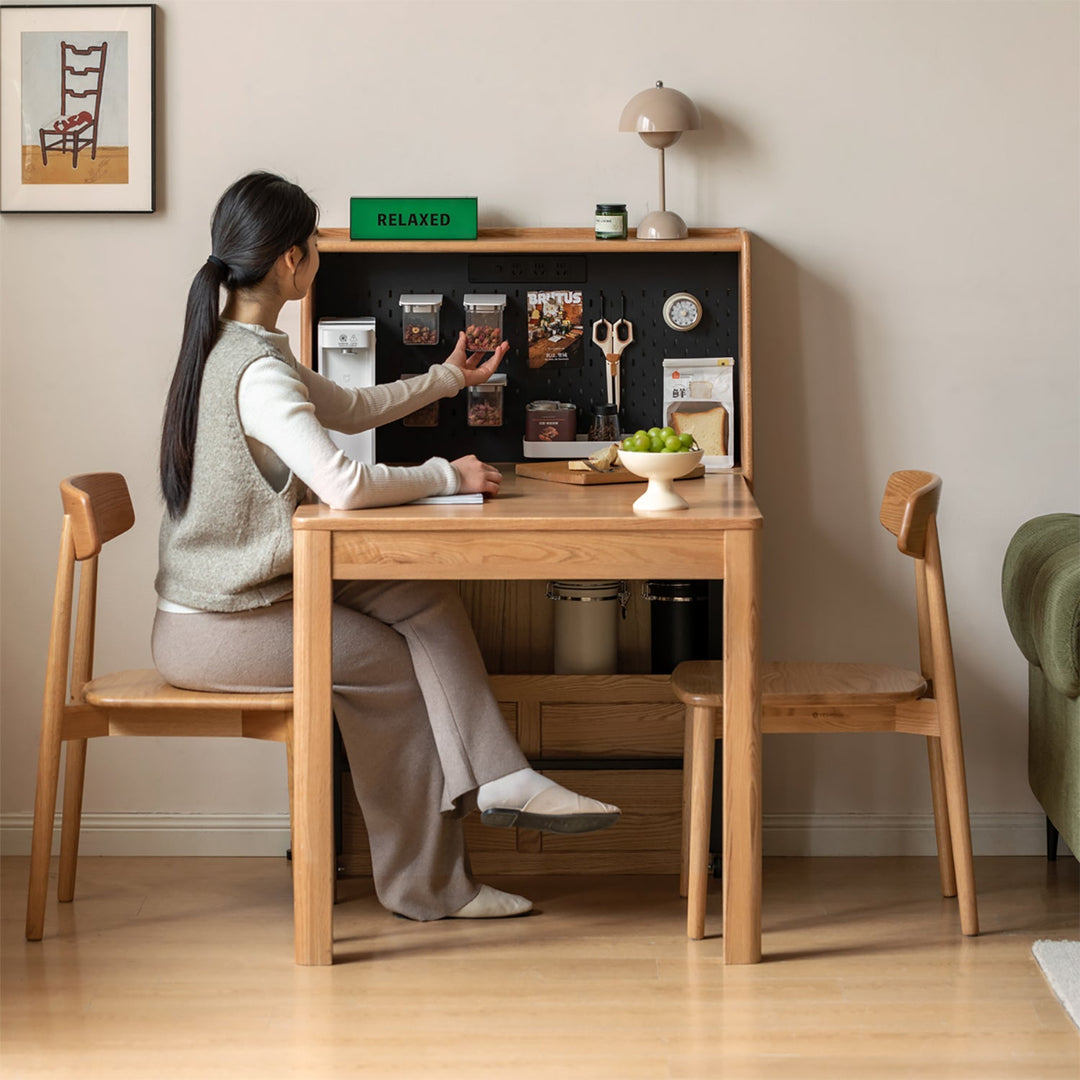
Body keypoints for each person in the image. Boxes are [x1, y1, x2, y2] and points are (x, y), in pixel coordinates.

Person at [152, 171, 619, 922]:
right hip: (217, 628)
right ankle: (428, 889)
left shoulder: (244, 348)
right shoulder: (258, 375)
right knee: (390, 669)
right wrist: (448, 474)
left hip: (249, 595)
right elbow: (343, 484)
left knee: (420, 596)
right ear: (289, 262)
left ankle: (502, 776)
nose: (320, 258)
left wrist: (445, 379)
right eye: (316, 246)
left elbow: (349, 404)